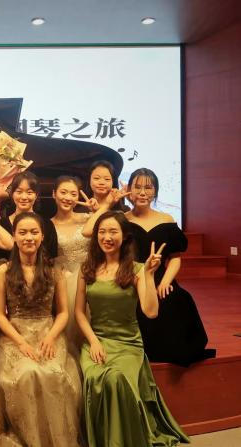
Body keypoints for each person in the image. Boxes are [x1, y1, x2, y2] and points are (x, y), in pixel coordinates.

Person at [75, 211, 190, 447]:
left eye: (113, 231)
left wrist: (149, 275)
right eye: (102, 232)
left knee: (116, 378)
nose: (107, 237)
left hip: (128, 343)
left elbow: (151, 311)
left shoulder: (136, 269)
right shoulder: (87, 269)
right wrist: (93, 342)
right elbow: (79, 312)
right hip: (97, 341)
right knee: (96, 377)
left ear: (125, 236)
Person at [0, 212, 82, 447]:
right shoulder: (3, 271)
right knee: (26, 374)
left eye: (34, 232)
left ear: (42, 236)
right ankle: (30, 439)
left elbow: (62, 313)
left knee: (53, 374)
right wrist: (20, 342)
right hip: (15, 334)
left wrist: (51, 337)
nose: (28, 237)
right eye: (22, 232)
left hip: (47, 332)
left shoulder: (54, 271)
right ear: (14, 236)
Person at [125, 168, 214, 366]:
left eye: (148, 188)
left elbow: (175, 257)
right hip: (131, 277)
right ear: (129, 190)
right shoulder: (122, 220)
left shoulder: (166, 220)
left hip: (160, 277)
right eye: (137, 187)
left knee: (176, 298)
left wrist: (165, 281)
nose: (142, 192)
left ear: (155, 192)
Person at [51, 176, 91, 353]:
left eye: (73, 194)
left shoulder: (88, 218)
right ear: (54, 194)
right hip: (63, 280)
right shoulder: (47, 225)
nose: (68, 197)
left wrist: (98, 210)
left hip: (89, 276)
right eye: (63, 192)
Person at [0, 171, 59, 259]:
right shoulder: (1, 225)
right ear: (12, 194)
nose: (24, 197)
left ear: (36, 195)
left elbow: (52, 257)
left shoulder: (47, 224)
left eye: (29, 192)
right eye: (19, 192)